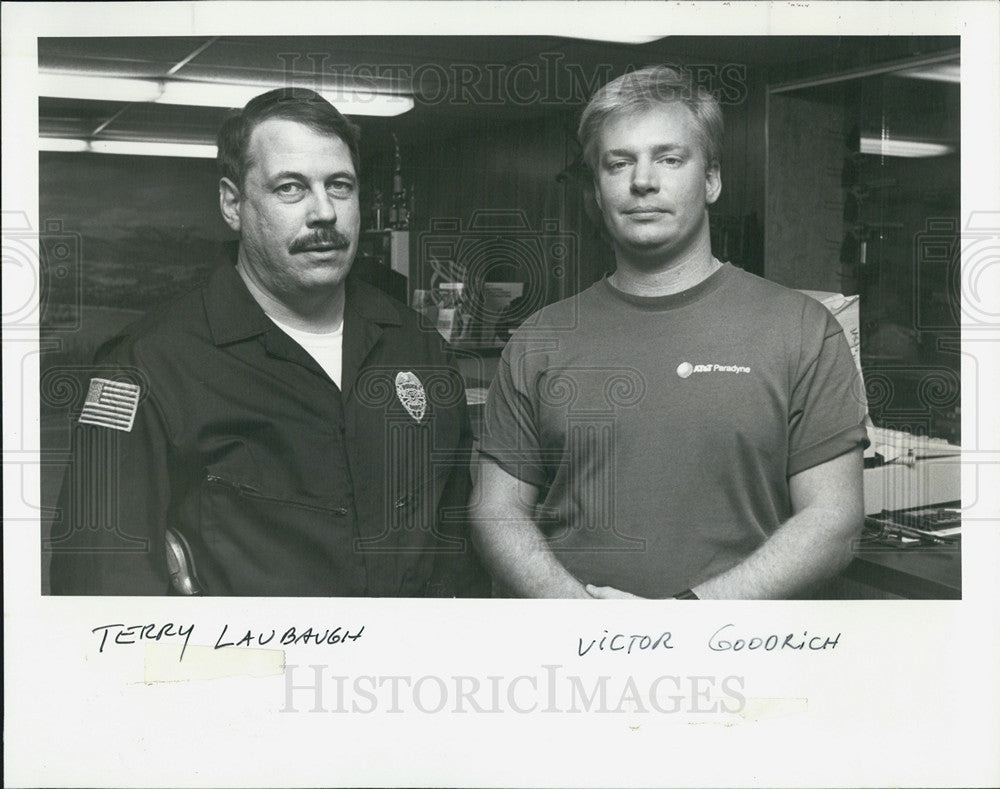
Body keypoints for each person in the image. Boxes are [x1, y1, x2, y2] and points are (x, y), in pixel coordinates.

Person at [48, 88, 486, 596]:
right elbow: (100, 582)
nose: (324, 212)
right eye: (291, 189)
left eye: (340, 186)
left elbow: (458, 554)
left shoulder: (417, 347)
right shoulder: (148, 364)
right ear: (233, 204)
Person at [471, 66, 869, 599]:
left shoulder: (801, 330)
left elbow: (835, 521)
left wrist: (685, 621)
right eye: (619, 163)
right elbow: (496, 511)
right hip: (577, 655)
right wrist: (579, 617)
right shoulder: (539, 339)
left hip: (738, 656)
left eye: (669, 158)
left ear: (711, 180)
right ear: (597, 188)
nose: (643, 181)